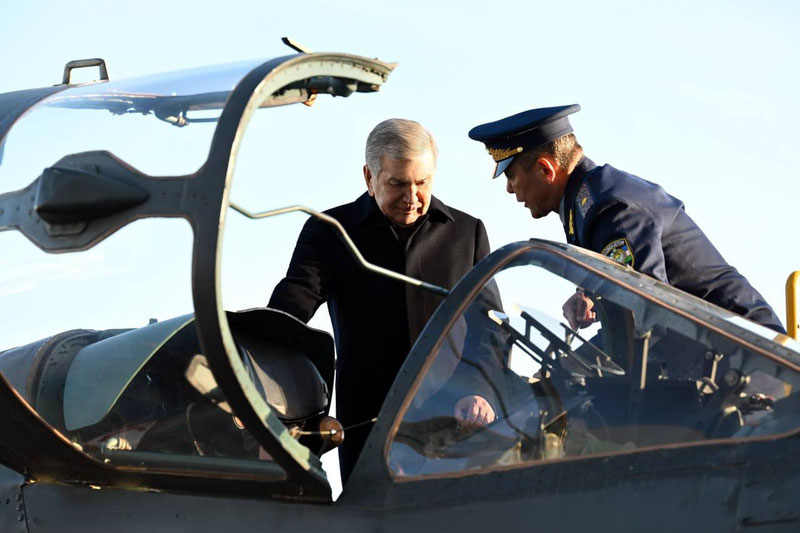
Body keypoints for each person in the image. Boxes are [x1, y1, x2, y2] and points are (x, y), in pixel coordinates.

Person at [269, 118, 496, 482]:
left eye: (422, 183)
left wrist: (480, 391)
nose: (412, 197)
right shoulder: (330, 231)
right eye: (398, 184)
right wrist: (249, 357)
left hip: (456, 426)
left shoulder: (467, 234)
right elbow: (292, 306)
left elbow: (491, 328)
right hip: (370, 429)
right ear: (369, 177)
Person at [468, 104, 785, 334]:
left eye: (510, 176)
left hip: (751, 368)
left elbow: (648, 319)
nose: (510, 189)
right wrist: (589, 297)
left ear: (545, 169)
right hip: (716, 360)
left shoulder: (610, 209)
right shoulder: (585, 203)